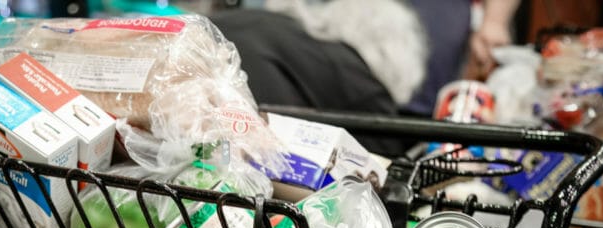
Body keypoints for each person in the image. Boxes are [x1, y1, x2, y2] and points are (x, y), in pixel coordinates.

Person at [210, 0, 520, 152]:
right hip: (390, 85)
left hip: (219, 47)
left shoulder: (300, 36)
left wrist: (494, 21)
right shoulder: (361, 84)